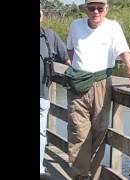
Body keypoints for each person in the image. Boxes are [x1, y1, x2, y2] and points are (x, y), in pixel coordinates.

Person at [66, 0, 130, 179]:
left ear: (106, 9)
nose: (96, 11)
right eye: (91, 8)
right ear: (85, 9)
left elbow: (125, 53)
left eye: (100, 8)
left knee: (99, 132)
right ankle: (80, 177)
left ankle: (93, 176)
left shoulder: (113, 27)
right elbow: (70, 50)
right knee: (78, 133)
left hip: (102, 84)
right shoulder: (75, 25)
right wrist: (76, 68)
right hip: (78, 85)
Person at [40, 6, 71, 180]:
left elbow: (67, 58)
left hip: (42, 93)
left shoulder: (49, 36)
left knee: (41, 132)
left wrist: (84, 73)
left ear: (41, 17)